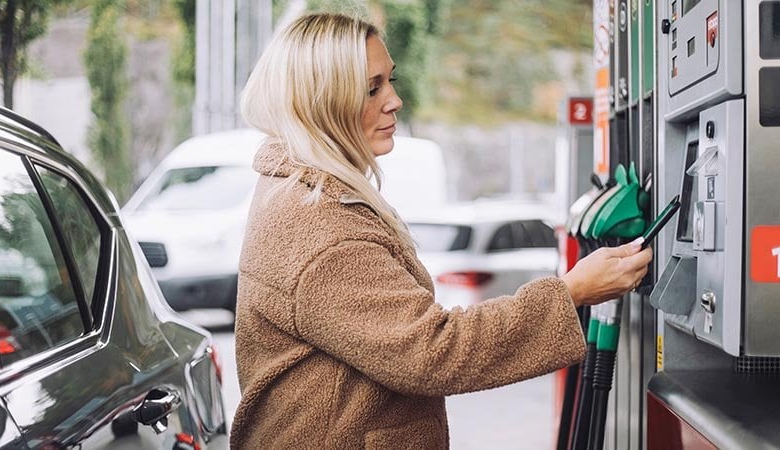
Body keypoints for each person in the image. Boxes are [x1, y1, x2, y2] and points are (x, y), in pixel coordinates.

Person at [230, 13, 652, 449]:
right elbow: (433, 350)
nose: (394, 100)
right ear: (322, 100)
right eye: (371, 88)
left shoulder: (295, 189)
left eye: (390, 80)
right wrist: (571, 293)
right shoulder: (320, 225)